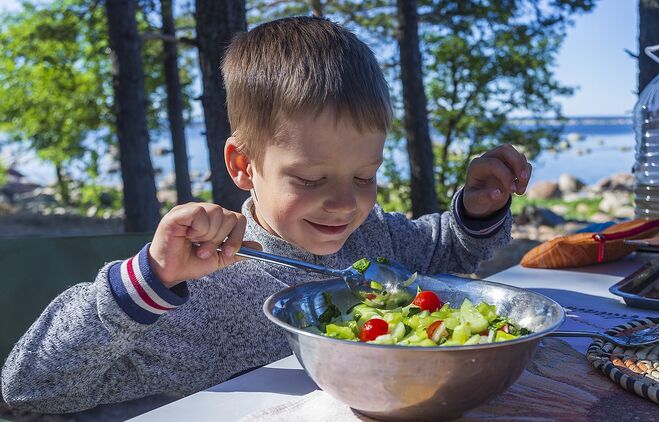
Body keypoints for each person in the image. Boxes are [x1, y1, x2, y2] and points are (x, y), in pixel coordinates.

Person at [1, 16, 531, 414]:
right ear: (243, 165)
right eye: (310, 180)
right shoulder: (200, 291)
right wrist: (150, 280)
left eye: (364, 176)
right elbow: (30, 386)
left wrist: (476, 210)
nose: (345, 204)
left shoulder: (375, 241)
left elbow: (448, 251)